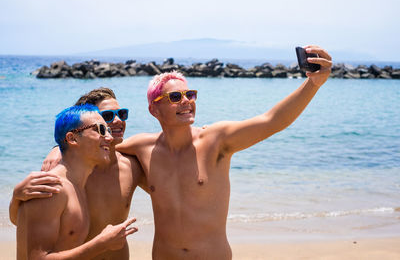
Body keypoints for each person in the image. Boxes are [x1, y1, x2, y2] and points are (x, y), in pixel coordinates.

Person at [115, 45, 332, 259]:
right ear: (154, 109)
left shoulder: (216, 140)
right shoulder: (142, 147)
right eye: (175, 97)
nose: (186, 101)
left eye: (190, 94)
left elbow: (271, 120)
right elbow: (97, 148)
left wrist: (313, 84)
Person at [10, 88, 147, 260]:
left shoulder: (131, 166)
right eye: (105, 119)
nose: (117, 121)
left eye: (121, 113)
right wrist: (17, 198)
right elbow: (29, 224)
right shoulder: (57, 179)